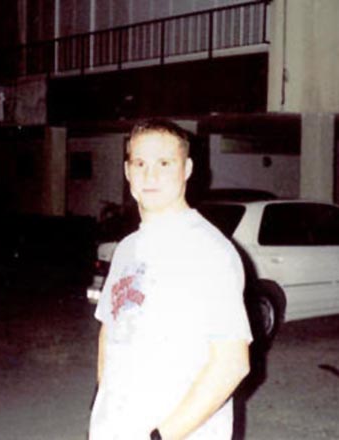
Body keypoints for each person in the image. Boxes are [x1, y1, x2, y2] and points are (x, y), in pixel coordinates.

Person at [89, 119, 252, 440]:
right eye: (140, 163)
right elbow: (110, 332)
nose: (150, 176)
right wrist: (101, 410)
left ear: (187, 169)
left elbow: (232, 364)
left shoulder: (209, 250)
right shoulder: (126, 248)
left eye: (164, 163)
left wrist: (160, 436)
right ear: (127, 171)